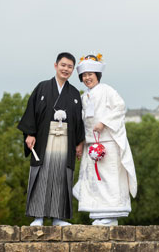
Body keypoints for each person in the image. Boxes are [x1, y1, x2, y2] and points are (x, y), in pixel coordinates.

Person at [17, 52, 85, 226]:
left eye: (70, 67)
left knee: (61, 176)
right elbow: (32, 111)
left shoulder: (75, 94)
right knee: (42, 174)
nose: (66, 69)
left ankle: (57, 217)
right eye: (63, 65)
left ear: (72, 70)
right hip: (44, 139)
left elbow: (79, 121)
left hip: (66, 140)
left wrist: (79, 143)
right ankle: (38, 216)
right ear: (56, 66)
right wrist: (30, 133)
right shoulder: (42, 88)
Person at [73, 53, 137, 226]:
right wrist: (80, 144)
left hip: (108, 142)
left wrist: (103, 122)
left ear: (97, 75)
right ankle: (98, 213)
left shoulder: (107, 90)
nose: (87, 78)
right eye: (84, 76)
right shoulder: (83, 97)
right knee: (93, 179)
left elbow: (120, 108)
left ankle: (111, 214)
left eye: (90, 75)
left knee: (110, 179)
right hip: (90, 143)